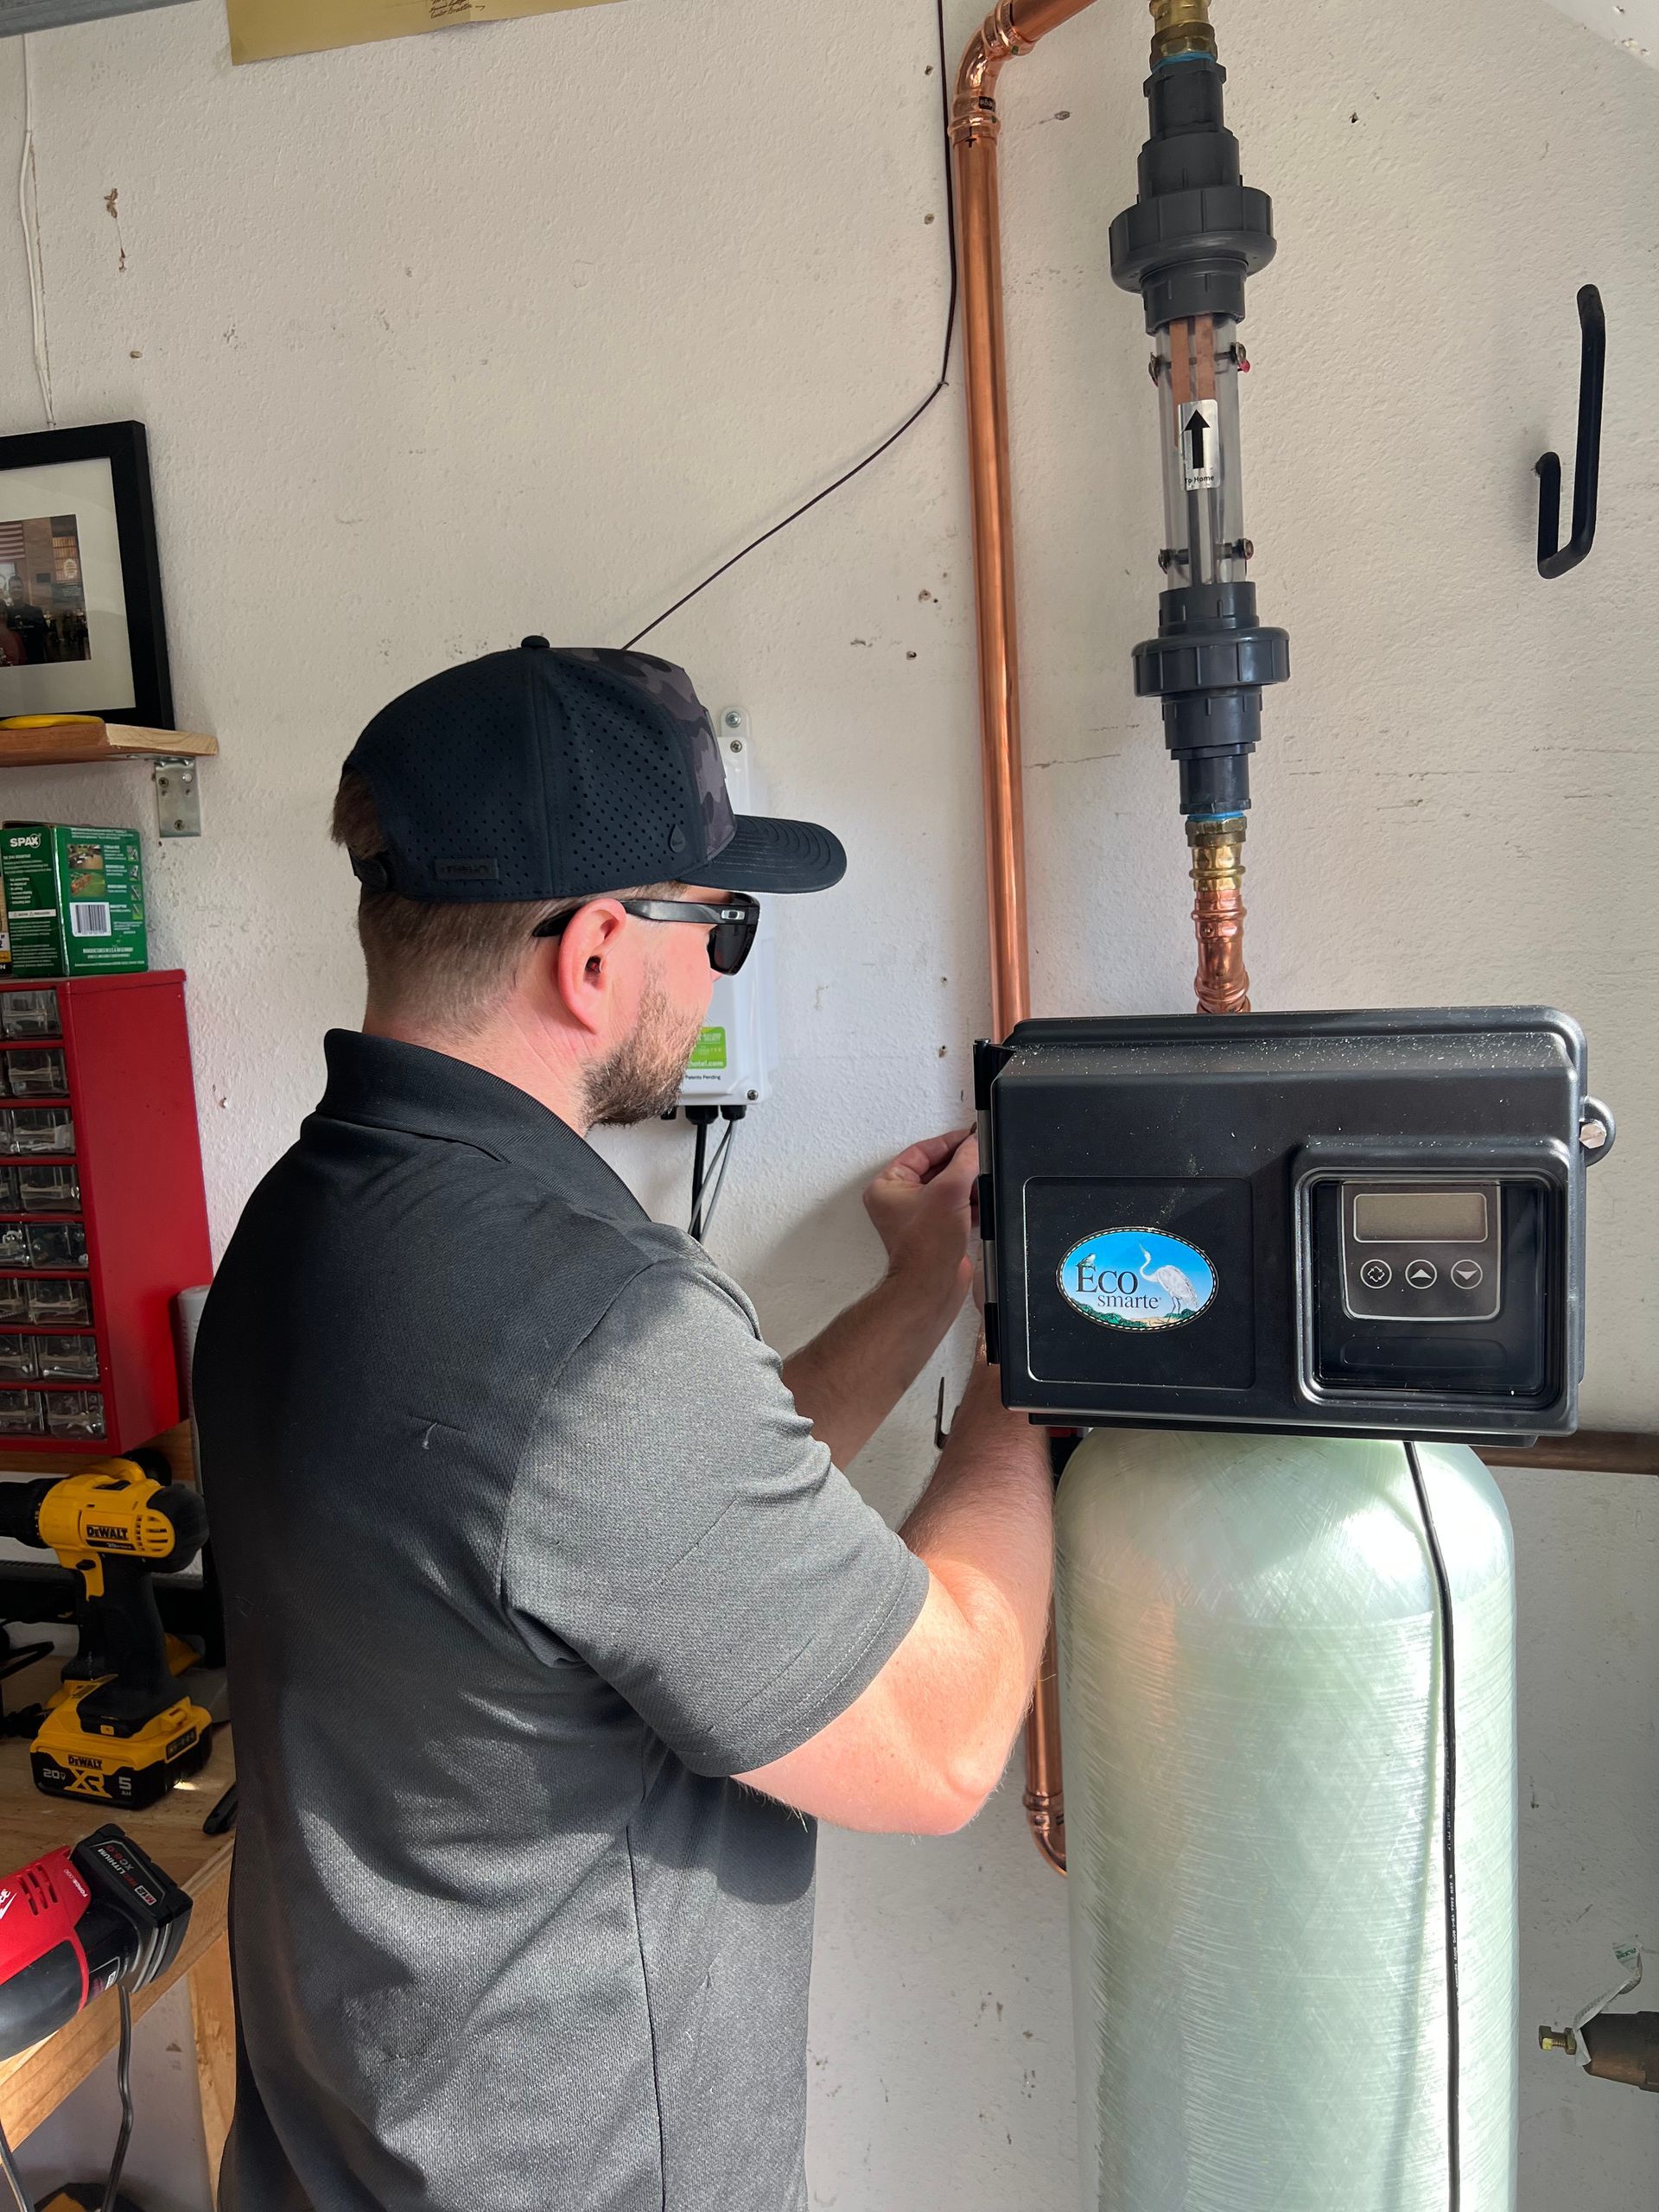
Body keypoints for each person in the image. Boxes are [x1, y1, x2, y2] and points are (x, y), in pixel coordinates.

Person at [194, 640, 1055, 2212]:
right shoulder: (596, 1326)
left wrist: (921, 1294)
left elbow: (632, 1548)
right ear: (596, 954)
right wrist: (1029, 1366)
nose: (725, 965)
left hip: (343, 2159)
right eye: (718, 921)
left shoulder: (309, 1225)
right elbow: (938, 1743)